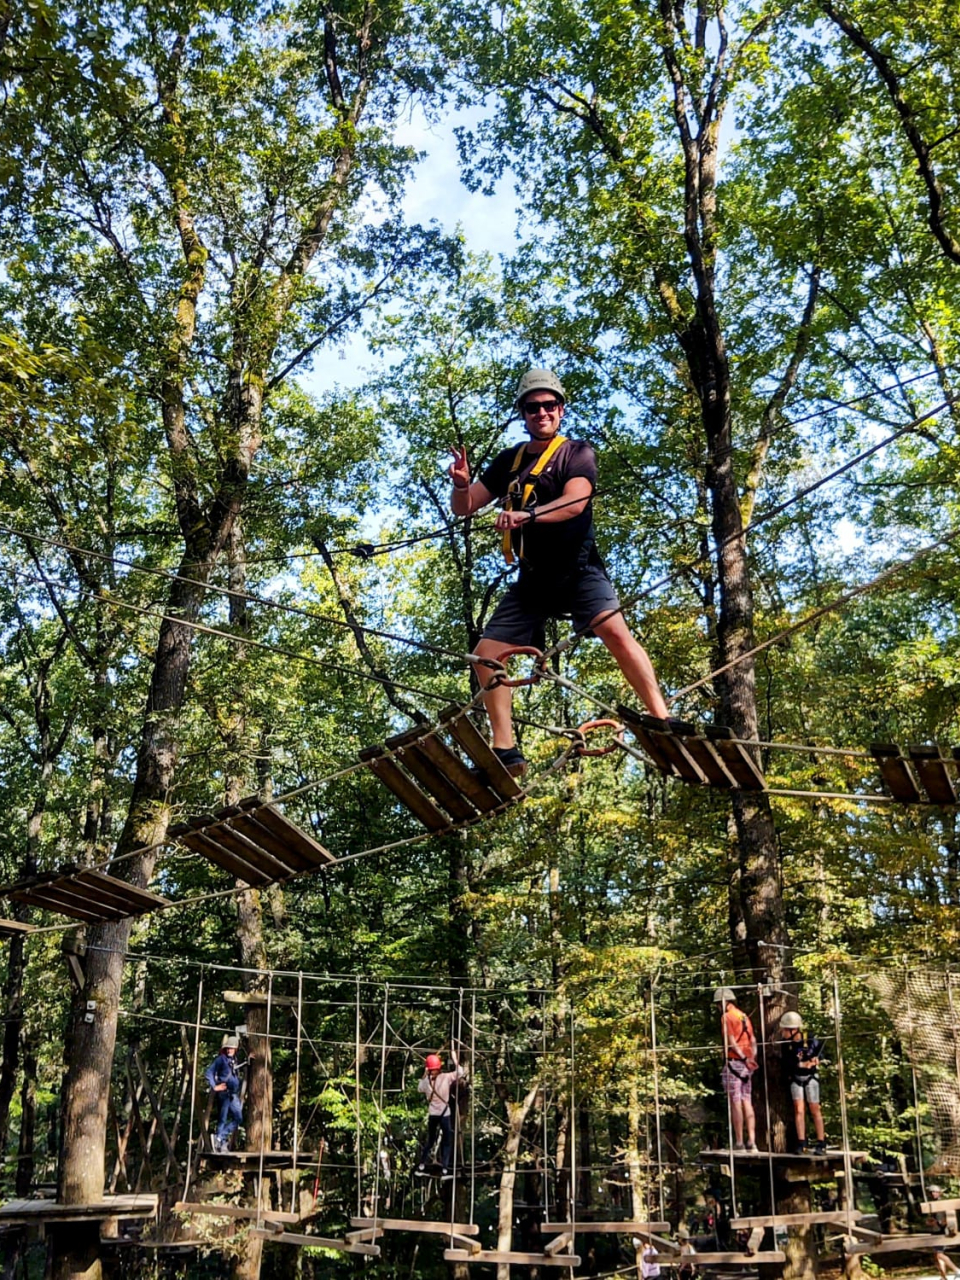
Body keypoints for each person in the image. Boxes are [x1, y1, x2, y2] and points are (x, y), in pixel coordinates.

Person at [449, 368, 670, 774]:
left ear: (561, 409)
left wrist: (524, 516)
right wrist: (462, 485)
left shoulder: (576, 452)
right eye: (533, 407)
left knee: (614, 631)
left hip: (579, 570)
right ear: (523, 413)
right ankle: (505, 750)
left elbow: (575, 503)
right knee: (486, 655)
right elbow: (464, 508)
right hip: (533, 579)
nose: (542, 413)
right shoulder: (510, 461)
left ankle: (663, 719)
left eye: (549, 405)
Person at [714, 987, 759, 1153]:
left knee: (735, 1101)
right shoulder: (744, 1016)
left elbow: (731, 1040)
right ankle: (752, 1141)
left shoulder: (726, 1017)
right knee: (747, 1100)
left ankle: (740, 1141)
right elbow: (753, 1040)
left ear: (723, 1003)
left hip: (735, 1062)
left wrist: (743, 1057)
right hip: (748, 1065)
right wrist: (752, 1057)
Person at [779, 1010, 826, 1155]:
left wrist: (817, 1060)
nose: (782, 1033)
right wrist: (801, 1065)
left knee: (815, 1108)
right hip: (796, 1078)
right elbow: (787, 1063)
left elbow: (821, 1053)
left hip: (810, 1078)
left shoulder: (810, 1039)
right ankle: (801, 1142)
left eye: (785, 1030)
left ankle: (821, 1142)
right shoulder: (786, 1045)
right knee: (798, 1109)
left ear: (793, 1030)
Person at [416, 1049, 464, 1176]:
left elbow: (419, 1088)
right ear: (439, 1067)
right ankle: (444, 1167)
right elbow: (460, 1072)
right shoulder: (446, 1077)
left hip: (433, 1114)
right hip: (444, 1114)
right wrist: (455, 1059)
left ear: (429, 1068)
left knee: (431, 1140)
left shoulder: (426, 1082)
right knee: (447, 1141)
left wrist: (425, 1074)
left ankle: (421, 1164)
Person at [205, 1033, 243, 1153]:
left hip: (233, 1094)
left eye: (232, 1048)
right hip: (224, 1093)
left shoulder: (235, 1060)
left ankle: (220, 1138)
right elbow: (209, 1073)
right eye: (228, 1048)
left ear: (235, 1049)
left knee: (238, 1118)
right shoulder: (221, 1059)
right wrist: (214, 1086)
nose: (229, 1050)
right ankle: (219, 1142)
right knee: (223, 1119)